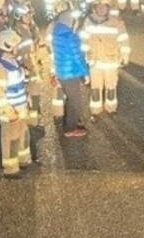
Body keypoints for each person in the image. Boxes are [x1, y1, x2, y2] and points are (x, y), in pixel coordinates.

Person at [0, 29, 32, 175]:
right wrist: (8, 110)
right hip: (11, 109)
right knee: (11, 138)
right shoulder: (0, 65)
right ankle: (11, 168)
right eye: (15, 45)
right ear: (7, 44)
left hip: (19, 105)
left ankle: (23, 159)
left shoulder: (11, 60)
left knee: (23, 133)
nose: (17, 48)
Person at [80, 0, 129, 115]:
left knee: (111, 87)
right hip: (95, 61)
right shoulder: (89, 21)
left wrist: (125, 56)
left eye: (104, 7)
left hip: (111, 61)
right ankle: (95, 110)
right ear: (94, 8)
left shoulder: (116, 22)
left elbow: (123, 40)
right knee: (95, 88)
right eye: (99, 7)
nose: (101, 9)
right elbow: (83, 39)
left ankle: (111, 108)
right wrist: (84, 54)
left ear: (108, 8)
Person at [49, 9, 90, 137]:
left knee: (70, 99)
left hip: (61, 72)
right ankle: (70, 129)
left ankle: (69, 123)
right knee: (74, 101)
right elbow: (78, 57)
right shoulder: (71, 37)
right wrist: (86, 73)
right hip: (71, 73)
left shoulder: (56, 35)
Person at [11, 3, 43, 126]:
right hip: (24, 68)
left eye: (30, 14)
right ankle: (29, 123)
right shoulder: (17, 32)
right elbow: (16, 53)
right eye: (26, 15)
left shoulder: (33, 29)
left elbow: (35, 49)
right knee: (27, 95)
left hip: (34, 67)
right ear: (19, 16)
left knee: (35, 94)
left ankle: (35, 121)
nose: (29, 17)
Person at [46, 0, 75, 118]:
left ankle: (58, 113)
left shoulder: (53, 24)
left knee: (60, 86)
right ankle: (67, 113)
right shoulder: (69, 22)